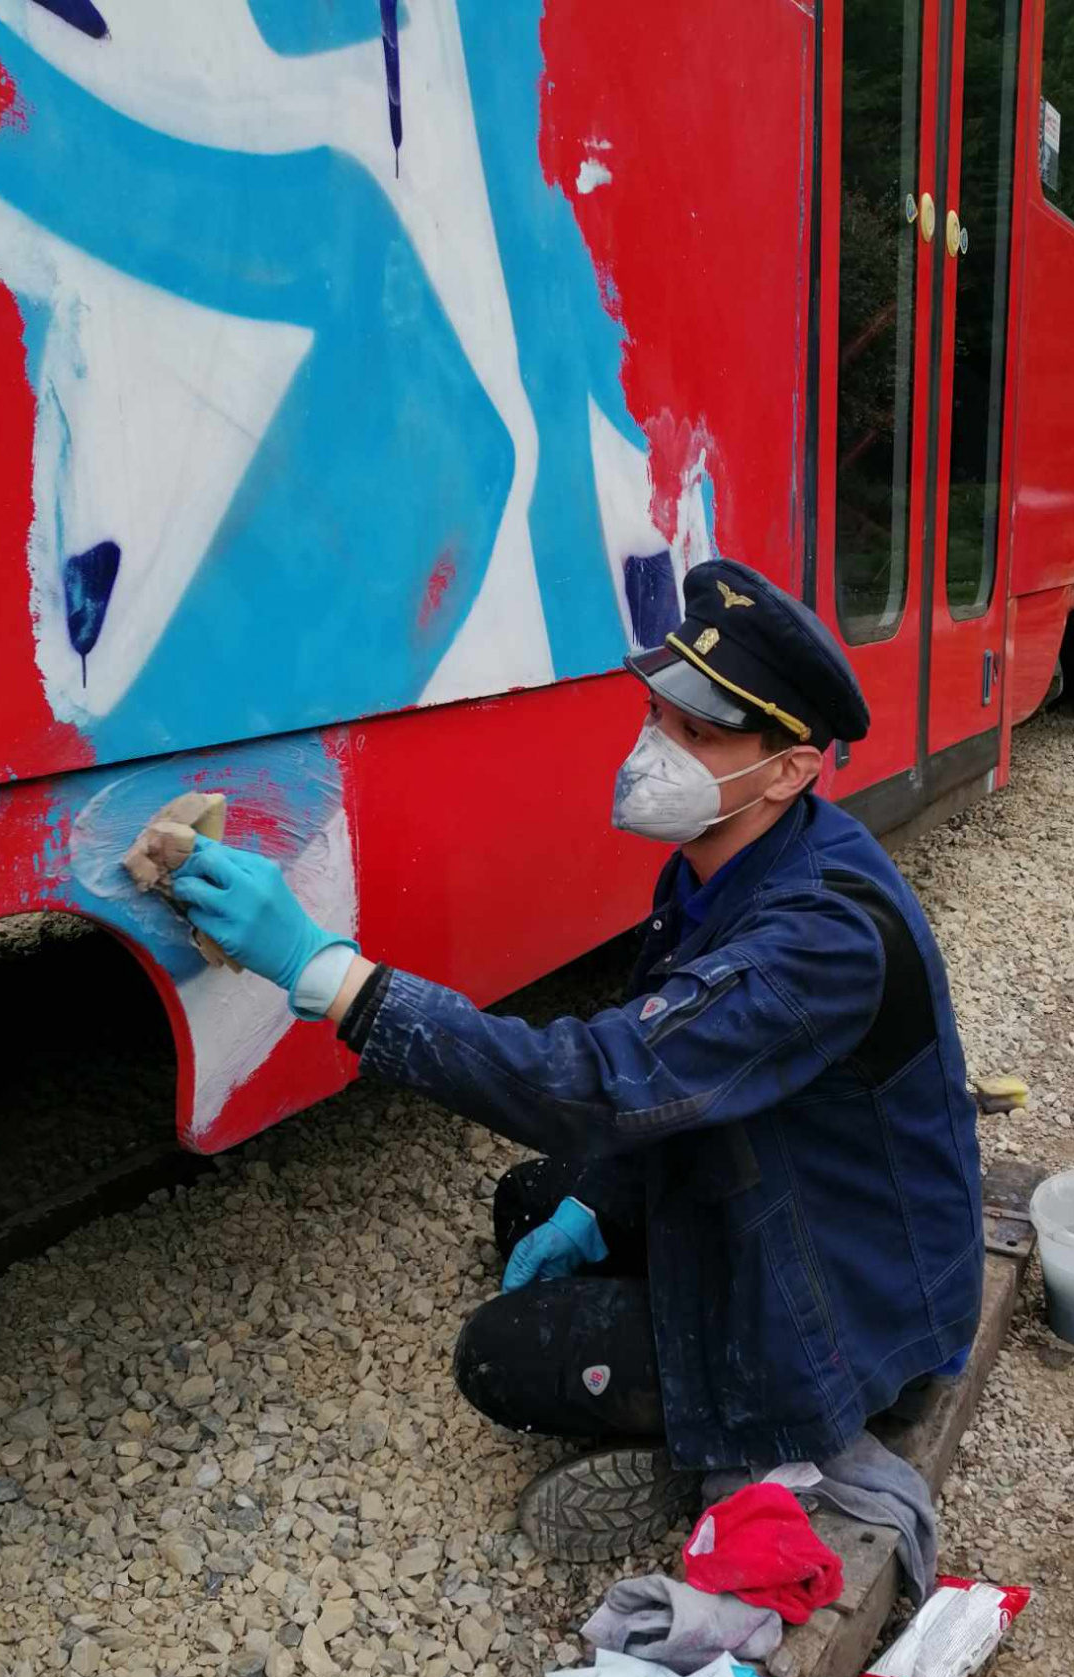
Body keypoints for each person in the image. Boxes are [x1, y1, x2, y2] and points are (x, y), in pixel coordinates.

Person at [171, 559, 985, 1561]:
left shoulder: (822, 937)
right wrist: (596, 1206)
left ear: (790, 769)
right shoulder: (736, 856)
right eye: (658, 715)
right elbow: (664, 1069)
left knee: (498, 1358)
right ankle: (689, 1369)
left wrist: (325, 974)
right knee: (535, 1199)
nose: (658, 748)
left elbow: (600, 1082)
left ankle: (744, 1446)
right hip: (786, 1184)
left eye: (700, 734)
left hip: (852, 1308)